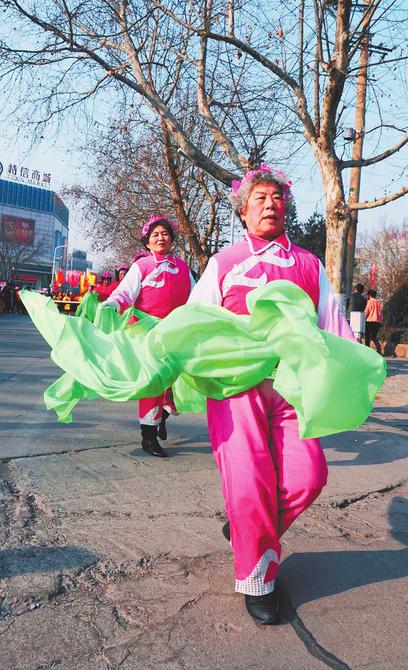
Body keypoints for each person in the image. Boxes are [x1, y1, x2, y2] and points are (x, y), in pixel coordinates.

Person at [188, 164, 355, 625]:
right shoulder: (222, 263)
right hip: (235, 388)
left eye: (277, 197)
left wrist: (355, 369)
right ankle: (259, 577)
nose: (270, 204)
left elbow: (333, 327)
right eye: (259, 198)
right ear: (244, 211)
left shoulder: (309, 264)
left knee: (309, 475)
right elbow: (193, 323)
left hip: (290, 386)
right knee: (248, 483)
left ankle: (245, 531)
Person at [102, 215, 195, 458]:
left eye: (165, 234)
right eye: (155, 235)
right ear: (147, 242)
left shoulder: (183, 268)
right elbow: (124, 294)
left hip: (176, 335)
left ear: (172, 239)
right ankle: (148, 437)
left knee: (176, 384)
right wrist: (112, 305)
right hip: (147, 336)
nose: (160, 238)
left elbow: (197, 300)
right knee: (153, 384)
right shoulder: (141, 266)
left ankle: (161, 418)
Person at [365, 289, 383, 354]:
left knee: (367, 337)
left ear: (369, 295)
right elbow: (381, 313)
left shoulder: (369, 302)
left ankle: (366, 350)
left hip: (369, 321)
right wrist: (381, 322)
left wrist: (363, 319)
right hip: (377, 322)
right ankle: (378, 348)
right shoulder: (379, 302)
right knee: (374, 336)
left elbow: (366, 312)